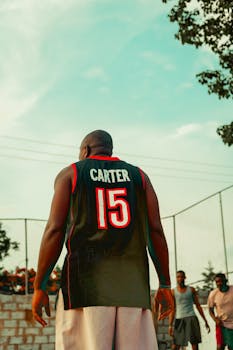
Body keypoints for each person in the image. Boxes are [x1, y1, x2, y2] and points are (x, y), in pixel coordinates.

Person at [32, 130, 174, 350]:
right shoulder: (139, 176)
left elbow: (54, 230)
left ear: (86, 150)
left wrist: (39, 286)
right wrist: (164, 283)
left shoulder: (71, 173)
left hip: (85, 289)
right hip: (132, 289)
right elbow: (155, 230)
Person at [168, 270, 210, 350]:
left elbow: (198, 306)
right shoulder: (173, 292)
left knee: (194, 344)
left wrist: (205, 320)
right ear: (176, 279)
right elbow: (172, 309)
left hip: (191, 318)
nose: (180, 278)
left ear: (185, 278)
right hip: (179, 319)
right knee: (175, 346)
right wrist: (170, 325)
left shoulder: (191, 290)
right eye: (178, 277)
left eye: (181, 277)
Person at [208, 273, 233, 350]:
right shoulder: (213, 294)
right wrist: (215, 319)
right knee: (220, 347)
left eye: (221, 281)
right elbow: (210, 309)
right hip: (221, 324)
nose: (219, 284)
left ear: (226, 281)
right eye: (217, 282)